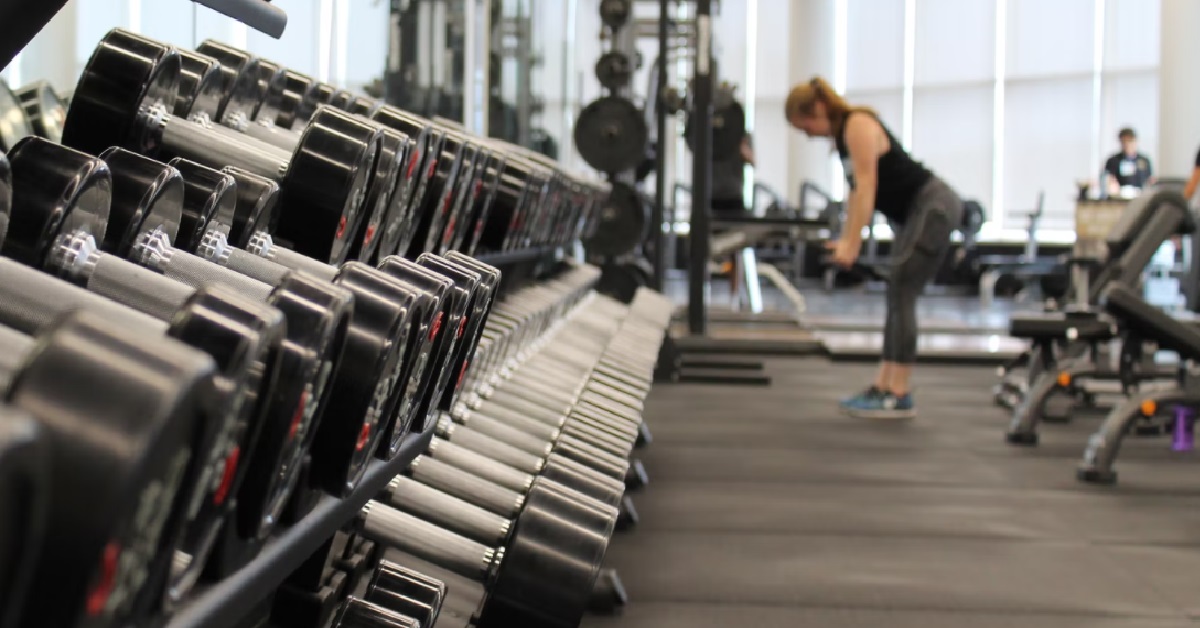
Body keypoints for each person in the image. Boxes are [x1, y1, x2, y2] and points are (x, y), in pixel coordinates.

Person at [785, 76, 963, 420]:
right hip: (915, 213)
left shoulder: (858, 124)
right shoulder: (843, 138)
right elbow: (856, 193)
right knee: (897, 292)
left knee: (903, 291)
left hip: (933, 208)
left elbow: (867, 187)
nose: (807, 134)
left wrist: (853, 244)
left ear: (818, 109)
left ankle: (898, 392)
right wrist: (847, 239)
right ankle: (884, 385)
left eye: (805, 125)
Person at [1103, 128, 1154, 195]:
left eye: (1129, 141)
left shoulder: (1144, 161)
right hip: (1119, 197)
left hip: (1140, 196)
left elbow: (1149, 181)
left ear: (1135, 141)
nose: (1127, 144)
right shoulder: (1113, 161)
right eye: (1124, 142)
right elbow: (1108, 179)